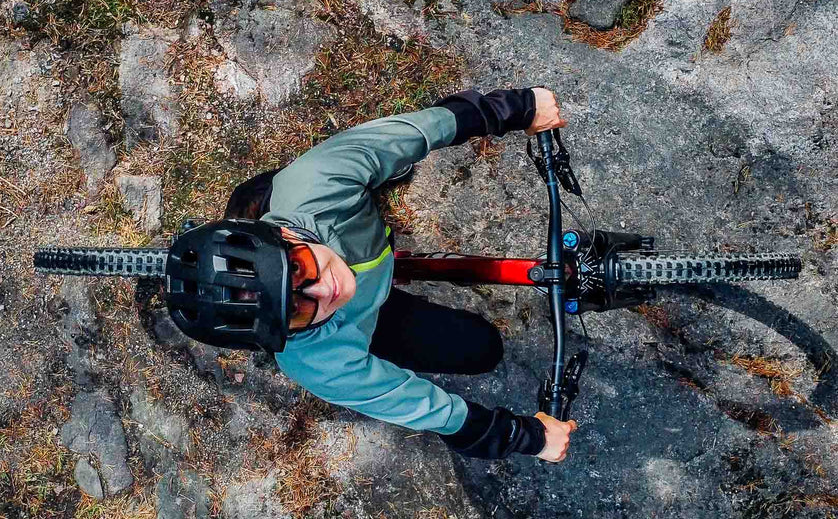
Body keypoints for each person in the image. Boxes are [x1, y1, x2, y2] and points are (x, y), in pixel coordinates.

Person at [165, 88, 576, 461]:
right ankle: (350, 202)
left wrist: (518, 108)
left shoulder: (315, 183)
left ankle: (315, 191)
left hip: (322, 208)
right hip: (370, 319)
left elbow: (419, 130)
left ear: (287, 232)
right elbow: (429, 409)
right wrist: (529, 438)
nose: (325, 288)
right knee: (483, 349)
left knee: (267, 192)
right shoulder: (317, 364)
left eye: (298, 267)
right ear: (282, 336)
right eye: (297, 310)